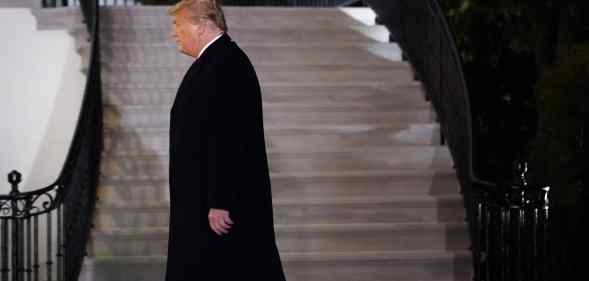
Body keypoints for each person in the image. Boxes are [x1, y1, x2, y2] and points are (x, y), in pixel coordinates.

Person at [165, 0, 287, 280]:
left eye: (178, 24)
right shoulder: (213, 61)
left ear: (202, 26)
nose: (174, 32)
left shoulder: (227, 64)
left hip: (217, 210)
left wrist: (221, 199)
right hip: (201, 202)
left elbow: (232, 136)